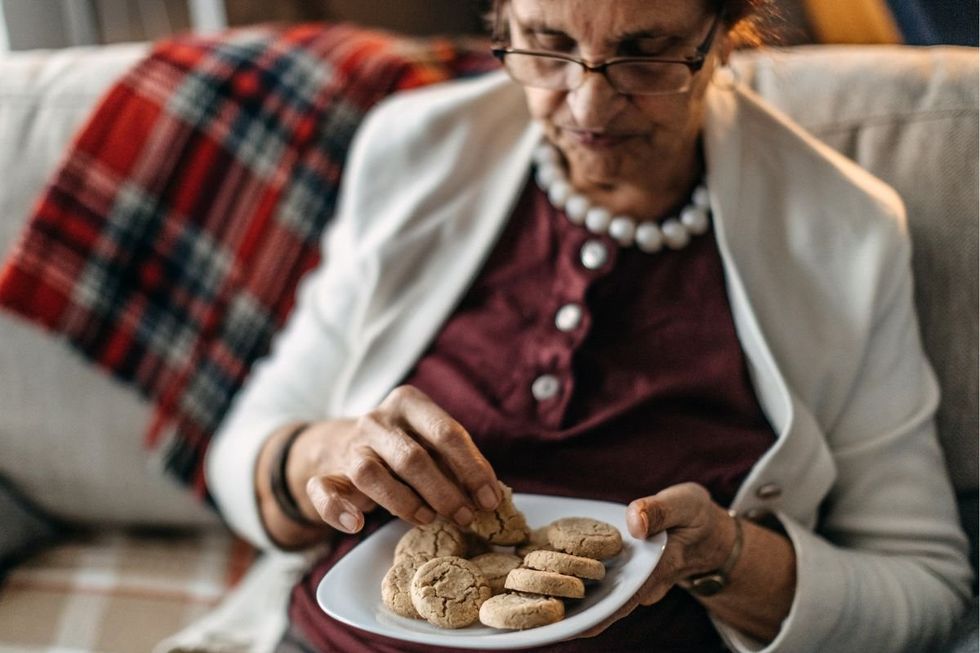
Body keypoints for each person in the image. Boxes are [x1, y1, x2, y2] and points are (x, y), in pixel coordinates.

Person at [205, 0, 973, 651]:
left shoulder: (846, 232)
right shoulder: (414, 147)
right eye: (546, 45)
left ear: (722, 36)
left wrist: (728, 556)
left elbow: (926, 584)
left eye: (645, 54)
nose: (588, 108)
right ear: (501, 21)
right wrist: (327, 452)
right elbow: (243, 450)